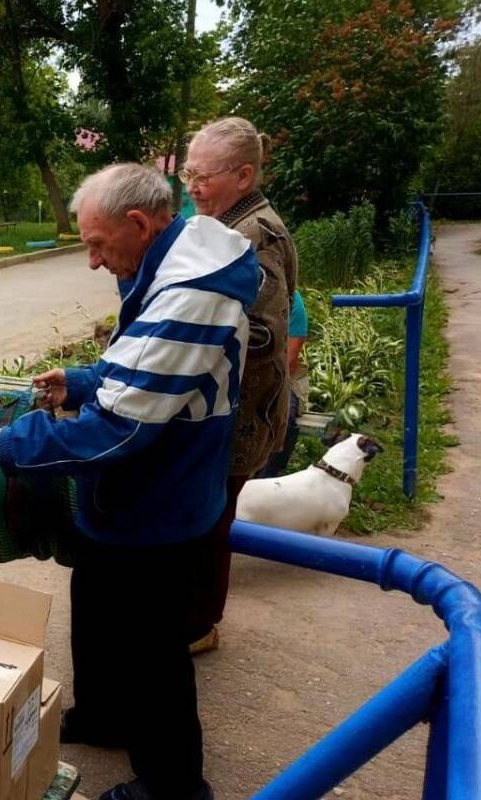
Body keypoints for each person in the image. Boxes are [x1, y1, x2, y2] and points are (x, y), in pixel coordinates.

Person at [0, 164, 258, 800]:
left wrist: (11, 444)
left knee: (152, 646)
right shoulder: (162, 272)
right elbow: (136, 367)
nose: (92, 261)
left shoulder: (194, 294)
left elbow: (120, 428)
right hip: (125, 502)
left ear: (138, 225)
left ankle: (172, 784)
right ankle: (105, 716)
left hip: (159, 503)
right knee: (99, 610)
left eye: (96, 244)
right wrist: (82, 381)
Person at [182, 116, 298, 654]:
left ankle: (199, 625)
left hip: (244, 410)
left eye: (201, 176)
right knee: (205, 510)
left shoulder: (256, 235)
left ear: (244, 176)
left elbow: (268, 334)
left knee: (212, 516)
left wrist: (189, 333)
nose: (191, 185)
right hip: (225, 404)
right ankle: (195, 613)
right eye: (187, 173)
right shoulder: (230, 225)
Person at [256, 289, 308, 478]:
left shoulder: (292, 301)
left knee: (284, 416)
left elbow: (289, 361)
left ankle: (266, 479)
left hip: (284, 378)